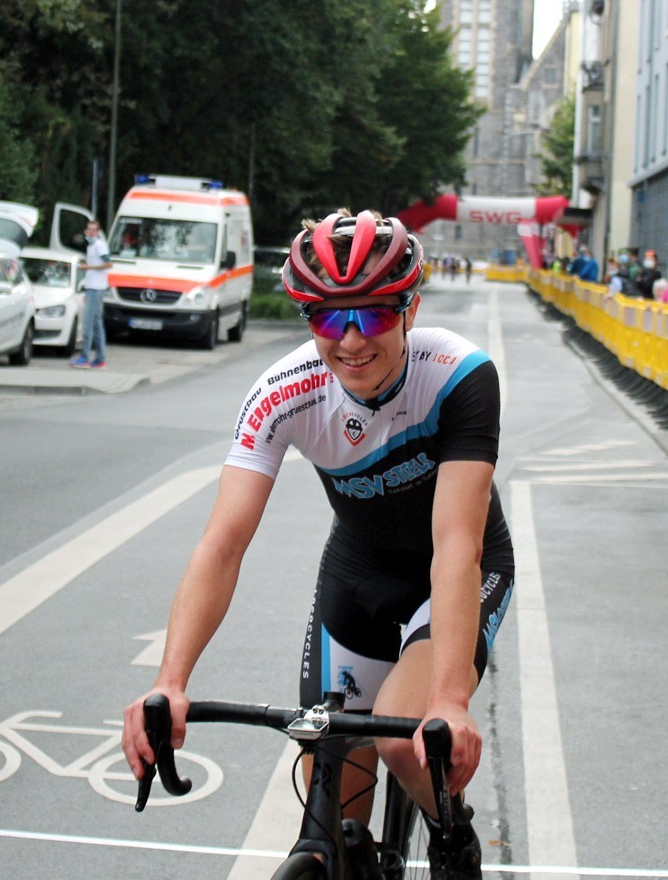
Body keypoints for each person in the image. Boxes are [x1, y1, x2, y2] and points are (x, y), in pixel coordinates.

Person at [121, 210, 513, 880]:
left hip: (454, 572)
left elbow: (456, 547)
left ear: (411, 310)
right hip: (357, 573)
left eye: (374, 314)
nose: (352, 339)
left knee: (403, 739)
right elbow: (222, 544)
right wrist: (170, 681)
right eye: (329, 319)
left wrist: (449, 701)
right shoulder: (283, 392)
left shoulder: (459, 375)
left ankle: (454, 837)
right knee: (328, 785)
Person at [70, 219, 111, 369]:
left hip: (95, 289)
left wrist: (89, 267)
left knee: (87, 324)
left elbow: (108, 263)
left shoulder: (99, 246)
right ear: (86, 231)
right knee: (97, 324)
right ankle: (100, 359)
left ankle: (85, 357)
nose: (91, 232)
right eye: (89, 229)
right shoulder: (91, 246)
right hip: (94, 287)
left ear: (98, 232)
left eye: (94, 230)